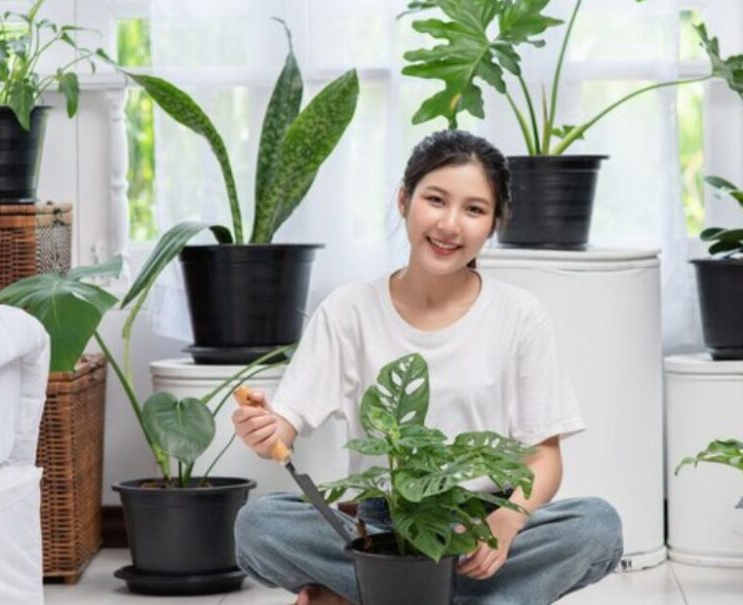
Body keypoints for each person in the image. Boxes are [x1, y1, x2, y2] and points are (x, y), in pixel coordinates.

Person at [232, 130, 624, 605]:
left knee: (597, 527)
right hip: (378, 528)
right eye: (435, 200)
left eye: (474, 210)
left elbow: (544, 457)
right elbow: (285, 427)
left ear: (494, 223)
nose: (450, 225)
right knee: (258, 526)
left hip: (478, 528)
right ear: (404, 199)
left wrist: (508, 522)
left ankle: (366, 596)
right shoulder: (348, 309)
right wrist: (264, 425)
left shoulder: (520, 315)